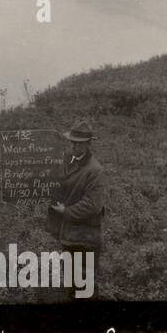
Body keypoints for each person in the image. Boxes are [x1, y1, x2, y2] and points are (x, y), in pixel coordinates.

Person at [46, 119, 106, 300]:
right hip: (69, 236)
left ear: (88, 144)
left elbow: (93, 205)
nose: (75, 146)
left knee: (85, 289)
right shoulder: (67, 162)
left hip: (86, 238)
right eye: (73, 142)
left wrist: (66, 211)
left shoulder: (95, 170)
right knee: (72, 286)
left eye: (80, 143)